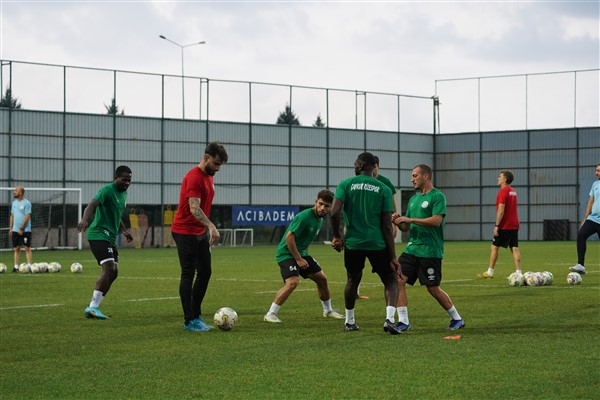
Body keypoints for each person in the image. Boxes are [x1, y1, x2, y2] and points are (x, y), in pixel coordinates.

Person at [330, 152, 401, 334]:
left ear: (361, 165)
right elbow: (387, 226)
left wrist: (337, 236)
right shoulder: (383, 189)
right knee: (391, 280)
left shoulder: (345, 184)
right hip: (377, 243)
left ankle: (350, 321)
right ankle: (389, 320)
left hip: (353, 243)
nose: (354, 166)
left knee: (353, 280)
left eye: (355, 163)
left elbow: (334, 212)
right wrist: (392, 256)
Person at [392, 164, 464, 331]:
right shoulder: (413, 199)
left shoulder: (438, 196)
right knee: (397, 280)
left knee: (432, 288)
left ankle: (456, 318)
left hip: (430, 251)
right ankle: (403, 322)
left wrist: (409, 220)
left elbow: (436, 221)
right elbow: (406, 228)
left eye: (415, 175)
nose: (412, 179)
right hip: (412, 249)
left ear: (426, 176)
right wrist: (399, 221)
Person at [171, 142, 228, 332]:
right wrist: (211, 225)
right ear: (206, 158)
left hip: (198, 231)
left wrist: (205, 228)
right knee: (188, 273)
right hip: (184, 231)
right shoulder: (194, 177)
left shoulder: (208, 177)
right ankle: (189, 320)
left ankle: (196, 315)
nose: (218, 169)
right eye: (216, 164)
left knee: (205, 272)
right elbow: (194, 209)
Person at [264, 190, 345, 323]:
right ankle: (270, 314)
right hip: (286, 253)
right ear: (316, 202)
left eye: (327, 206)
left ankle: (328, 310)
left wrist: (304, 256)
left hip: (301, 253)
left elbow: (304, 241)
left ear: (331, 207)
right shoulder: (305, 216)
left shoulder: (319, 220)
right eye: (320, 204)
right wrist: (298, 259)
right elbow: (289, 238)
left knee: (322, 279)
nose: (322, 208)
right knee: (293, 282)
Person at [77, 166, 133, 319]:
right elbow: (92, 205)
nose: (127, 183)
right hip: (98, 234)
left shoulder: (123, 194)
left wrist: (123, 230)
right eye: (124, 179)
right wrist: (84, 219)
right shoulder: (107, 190)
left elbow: (116, 214)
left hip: (110, 237)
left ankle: (95, 306)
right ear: (116, 178)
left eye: (129, 180)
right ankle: (92, 307)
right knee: (108, 268)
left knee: (114, 272)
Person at [478, 170, 522, 278]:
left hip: (505, 225)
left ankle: (490, 272)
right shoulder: (513, 191)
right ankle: (519, 272)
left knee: (494, 247)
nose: (498, 178)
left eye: (500, 177)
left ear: (505, 179)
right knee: (514, 248)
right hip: (514, 224)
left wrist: (497, 226)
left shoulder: (503, 191)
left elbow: (501, 210)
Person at [569, 163, 600, 275]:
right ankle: (580, 265)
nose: (596, 173)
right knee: (581, 234)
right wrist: (586, 218)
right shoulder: (595, 184)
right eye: (596, 170)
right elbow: (591, 202)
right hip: (593, 219)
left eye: (598, 171)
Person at [9, 186, 33, 272]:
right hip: (15, 230)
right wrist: (11, 228)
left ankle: (30, 267)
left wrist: (22, 228)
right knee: (16, 248)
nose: (14, 192)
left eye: (16, 190)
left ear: (21, 193)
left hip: (25, 230)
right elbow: (12, 215)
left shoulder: (27, 203)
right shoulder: (14, 203)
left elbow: (27, 216)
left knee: (27, 248)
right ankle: (16, 267)